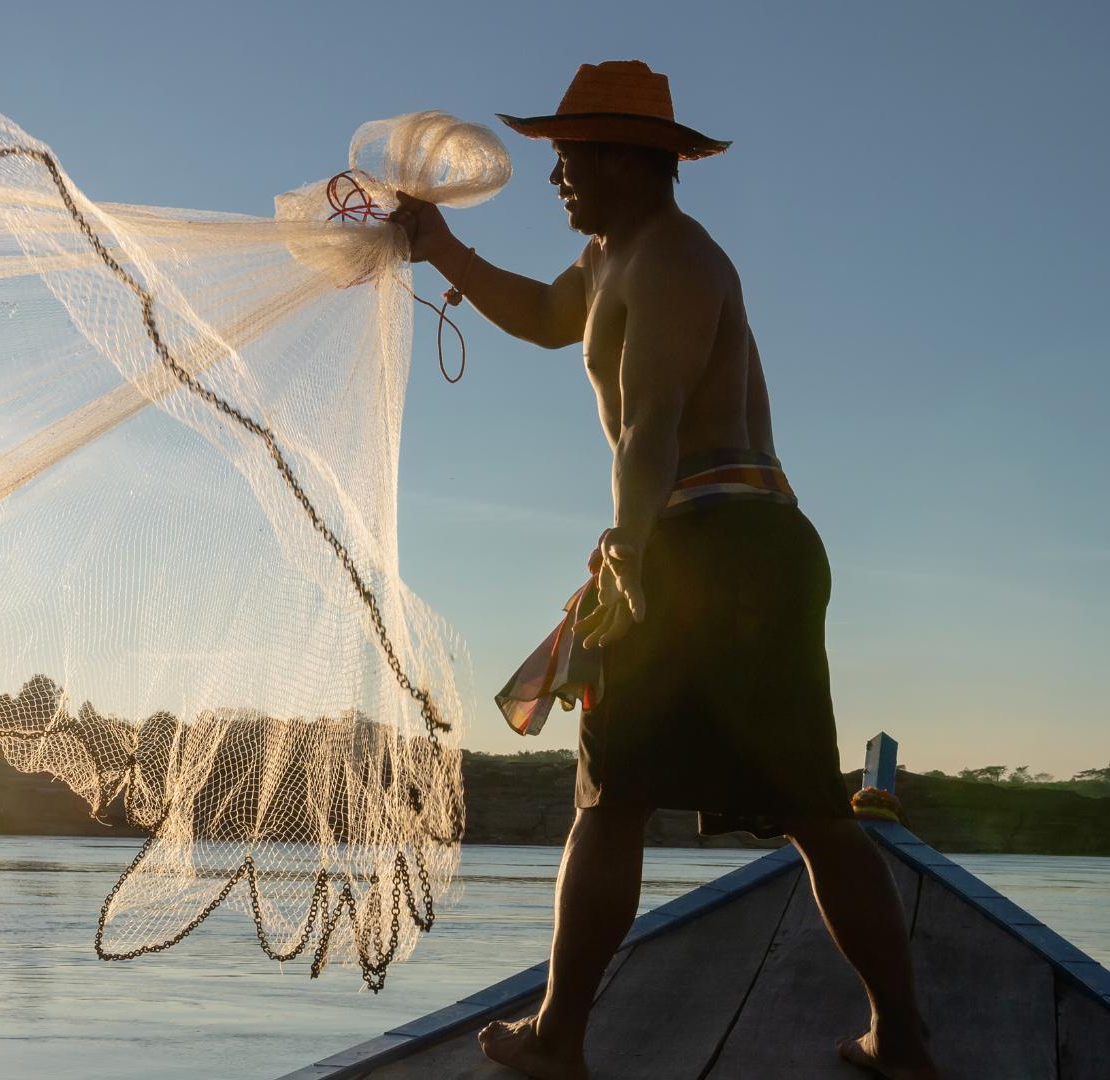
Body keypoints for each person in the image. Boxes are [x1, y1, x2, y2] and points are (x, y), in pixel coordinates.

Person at [389, 61, 943, 1080]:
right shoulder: (609, 260)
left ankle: (560, 1044)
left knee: (626, 799)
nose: (555, 175)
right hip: (704, 544)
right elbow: (545, 319)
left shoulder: (679, 260)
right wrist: (439, 246)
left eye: (568, 158)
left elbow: (648, 426)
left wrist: (631, 550)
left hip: (717, 544)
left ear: (625, 159)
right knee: (789, 809)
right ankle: (901, 1043)